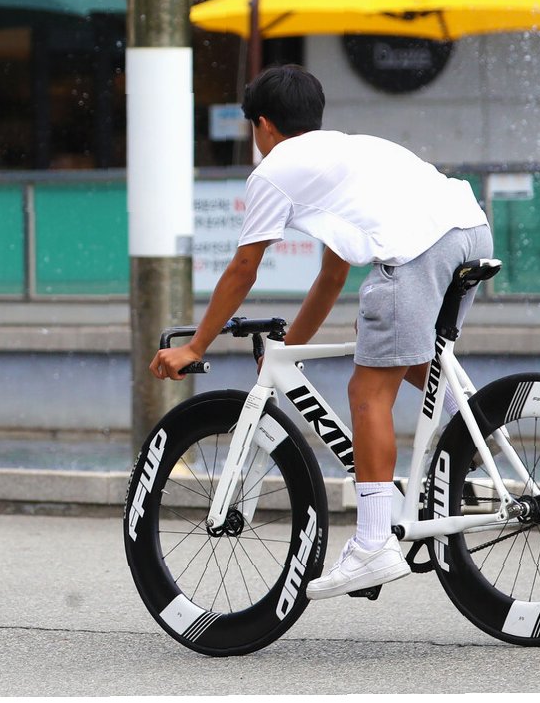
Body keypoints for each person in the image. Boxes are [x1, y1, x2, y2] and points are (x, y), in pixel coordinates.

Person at [150, 64, 492, 600]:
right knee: (391, 343)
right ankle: (477, 432)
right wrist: (291, 350)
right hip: (471, 230)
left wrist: (196, 346)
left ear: (263, 125)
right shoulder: (344, 155)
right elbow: (333, 275)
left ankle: (373, 544)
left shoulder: (274, 171)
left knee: (367, 390)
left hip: (419, 250)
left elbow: (243, 268)